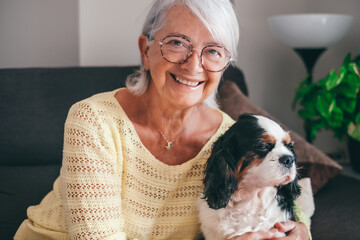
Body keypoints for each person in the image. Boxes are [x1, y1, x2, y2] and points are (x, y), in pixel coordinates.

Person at [14, 0, 311, 239]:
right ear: (146, 50)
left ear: (223, 65)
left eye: (213, 51)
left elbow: (283, 203)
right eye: (177, 43)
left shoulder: (229, 137)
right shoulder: (93, 121)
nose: (194, 65)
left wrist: (299, 232)